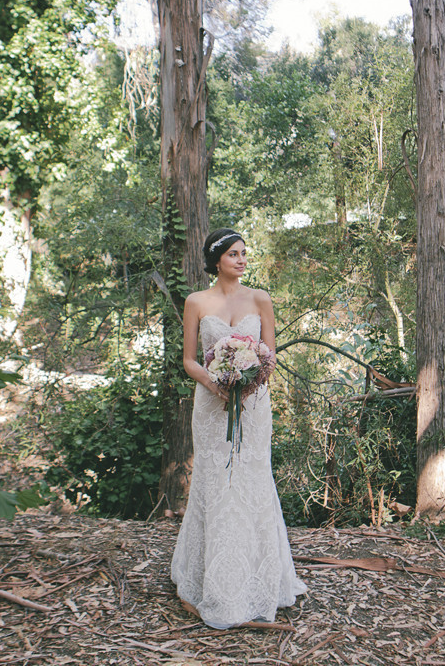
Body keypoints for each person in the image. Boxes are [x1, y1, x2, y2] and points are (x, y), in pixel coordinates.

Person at [171, 228, 307, 628]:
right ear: (216, 260)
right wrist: (216, 385)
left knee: (251, 479)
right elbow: (190, 360)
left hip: (253, 404)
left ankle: (259, 580)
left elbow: (270, 356)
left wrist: (246, 386)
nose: (242, 259)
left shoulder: (260, 298)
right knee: (215, 481)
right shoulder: (196, 302)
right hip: (211, 406)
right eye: (233, 254)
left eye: (244, 253)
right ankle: (211, 580)